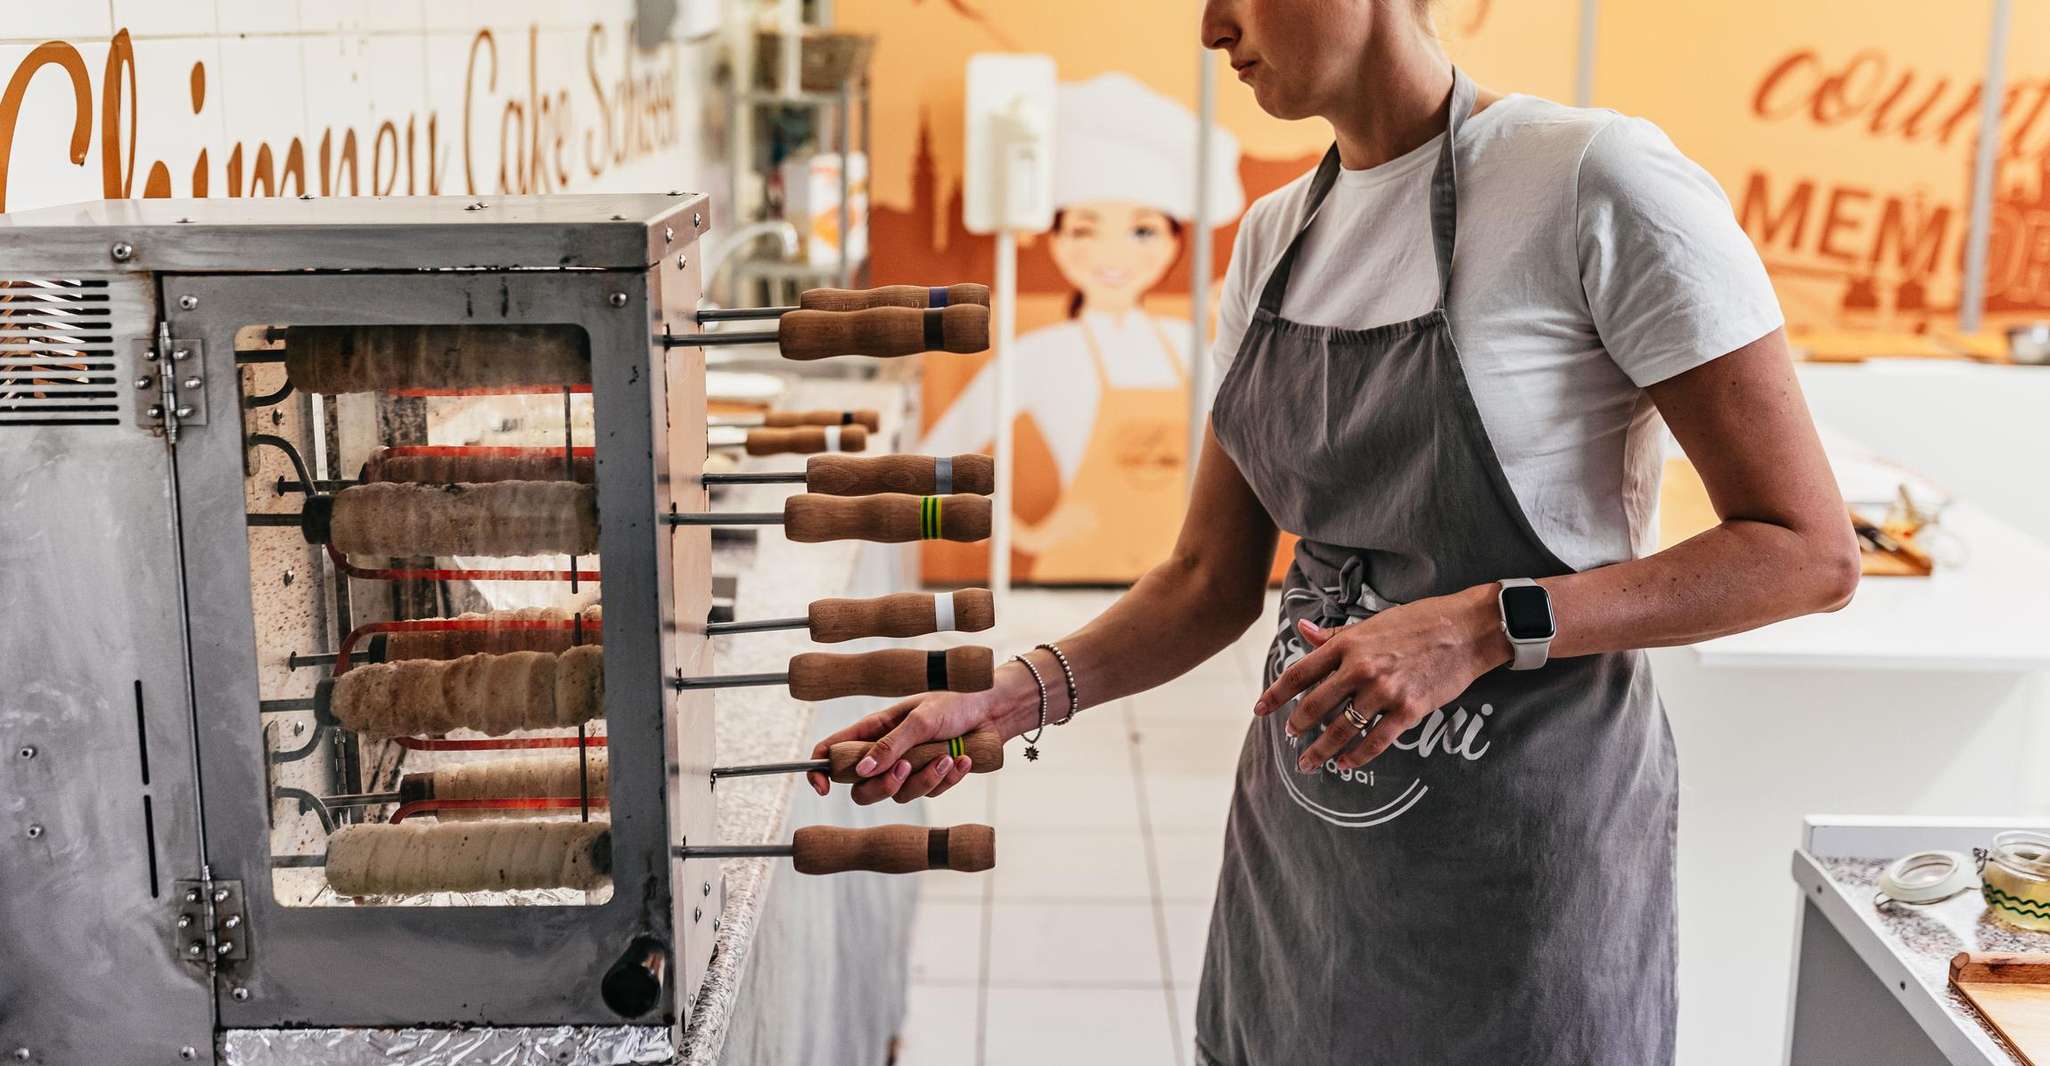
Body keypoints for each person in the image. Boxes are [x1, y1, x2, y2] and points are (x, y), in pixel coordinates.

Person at [812, 0, 1860, 1062]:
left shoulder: (1595, 179)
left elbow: (1803, 550)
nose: (1212, 28)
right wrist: (1008, 693)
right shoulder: (1273, 238)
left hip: (1521, 851)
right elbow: (1206, 577)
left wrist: (1480, 625)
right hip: (1304, 857)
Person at [919, 72, 1244, 582]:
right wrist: (1025, 535)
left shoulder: (1188, 345)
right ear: (1057, 242)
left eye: (1142, 231)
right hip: (1071, 588)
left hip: (1183, 588)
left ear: (1174, 243)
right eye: (1086, 231)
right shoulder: (1042, 353)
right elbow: (933, 459)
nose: (1113, 254)